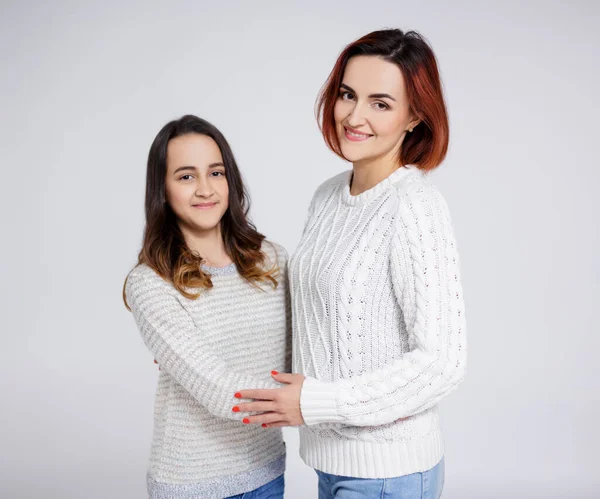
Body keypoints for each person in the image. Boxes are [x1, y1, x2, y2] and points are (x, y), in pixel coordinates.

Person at [235, 29, 467, 499]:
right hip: (333, 462)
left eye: (380, 103)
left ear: (415, 116)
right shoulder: (328, 196)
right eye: (347, 94)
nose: (354, 116)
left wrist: (318, 402)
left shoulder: (414, 206)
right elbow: (312, 320)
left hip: (390, 472)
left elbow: (441, 364)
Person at [124, 114, 290, 499]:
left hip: (267, 471)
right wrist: (313, 405)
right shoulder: (151, 283)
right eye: (186, 176)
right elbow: (218, 390)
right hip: (192, 485)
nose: (205, 189)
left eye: (215, 173)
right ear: (162, 190)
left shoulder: (273, 260)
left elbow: (303, 354)